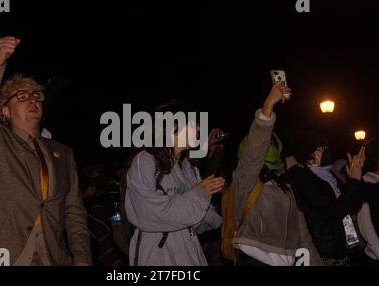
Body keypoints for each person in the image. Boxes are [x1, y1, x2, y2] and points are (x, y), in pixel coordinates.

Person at [0, 36, 91, 266]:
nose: (32, 100)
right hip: (1, 254)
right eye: (22, 96)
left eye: (37, 96)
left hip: (52, 255)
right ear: (5, 111)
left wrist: (82, 258)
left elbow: (73, 211)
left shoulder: (64, 153)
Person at [124, 100, 224, 266]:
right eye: (193, 124)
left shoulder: (186, 167)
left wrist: (221, 220)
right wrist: (199, 194)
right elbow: (149, 212)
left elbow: (195, 219)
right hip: (158, 255)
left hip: (190, 252)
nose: (199, 129)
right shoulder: (145, 161)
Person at [231, 82, 321, 266]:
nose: (269, 147)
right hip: (254, 260)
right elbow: (254, 155)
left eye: (273, 144)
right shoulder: (245, 179)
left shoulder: (284, 185)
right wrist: (267, 109)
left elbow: (302, 235)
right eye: (267, 143)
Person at [286, 138, 369, 265]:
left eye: (327, 148)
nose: (327, 152)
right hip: (322, 253)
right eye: (321, 149)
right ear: (308, 152)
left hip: (342, 246)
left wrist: (357, 175)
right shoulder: (301, 177)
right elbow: (332, 211)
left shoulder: (329, 175)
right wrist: (353, 181)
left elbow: (353, 206)